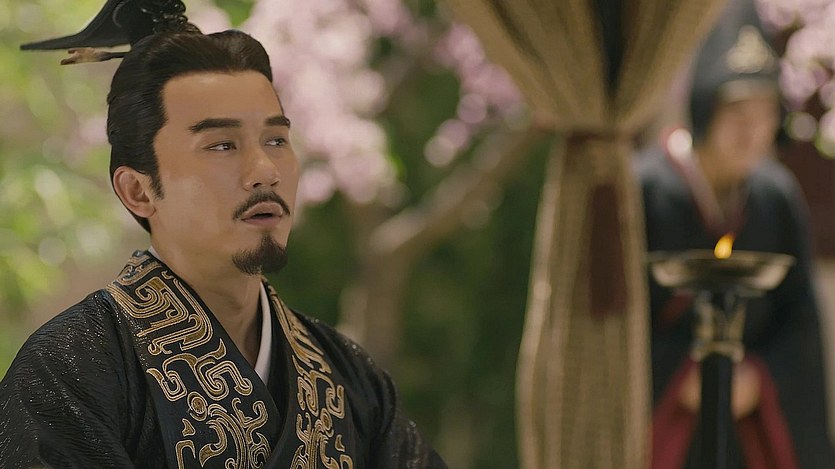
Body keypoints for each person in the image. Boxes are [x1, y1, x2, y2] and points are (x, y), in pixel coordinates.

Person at [0, 1, 447, 468]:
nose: (265, 171)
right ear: (138, 191)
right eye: (221, 145)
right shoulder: (67, 372)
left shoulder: (351, 377)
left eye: (276, 140)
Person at [637, 1, 834, 468]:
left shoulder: (775, 196)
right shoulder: (645, 189)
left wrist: (759, 379)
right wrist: (682, 376)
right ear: (705, 109)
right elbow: (621, 319)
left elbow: (799, 320)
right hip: (668, 416)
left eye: (765, 115)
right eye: (738, 114)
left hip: (752, 418)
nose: (752, 133)